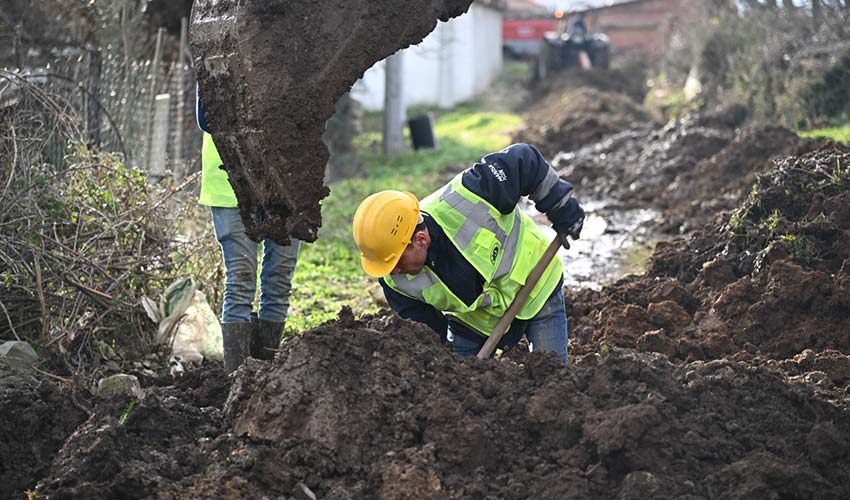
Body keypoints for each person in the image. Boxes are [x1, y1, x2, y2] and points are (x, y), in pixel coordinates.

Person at [352, 144, 584, 364]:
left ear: (420, 240)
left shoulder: (471, 195)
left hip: (536, 285)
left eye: (396, 260)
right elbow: (427, 335)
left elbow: (524, 159)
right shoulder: (394, 281)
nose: (394, 271)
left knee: (553, 376)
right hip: (476, 322)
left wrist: (561, 206)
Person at [196, 90, 300, 372]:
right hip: (230, 180)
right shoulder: (221, 49)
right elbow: (207, 118)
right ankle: (237, 381)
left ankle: (264, 373)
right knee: (241, 280)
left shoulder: (298, 49)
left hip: (286, 180)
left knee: (279, 279)